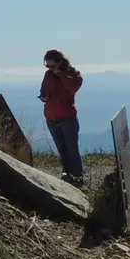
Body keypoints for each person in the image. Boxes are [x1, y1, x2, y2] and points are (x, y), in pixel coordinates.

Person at [39, 49, 85, 186]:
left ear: (60, 62)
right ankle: (67, 174)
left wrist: (61, 74)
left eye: (52, 66)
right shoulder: (48, 75)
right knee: (62, 149)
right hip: (51, 117)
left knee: (72, 149)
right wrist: (44, 97)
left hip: (67, 118)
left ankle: (77, 176)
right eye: (47, 66)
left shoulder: (74, 75)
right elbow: (43, 91)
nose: (49, 69)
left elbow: (73, 87)